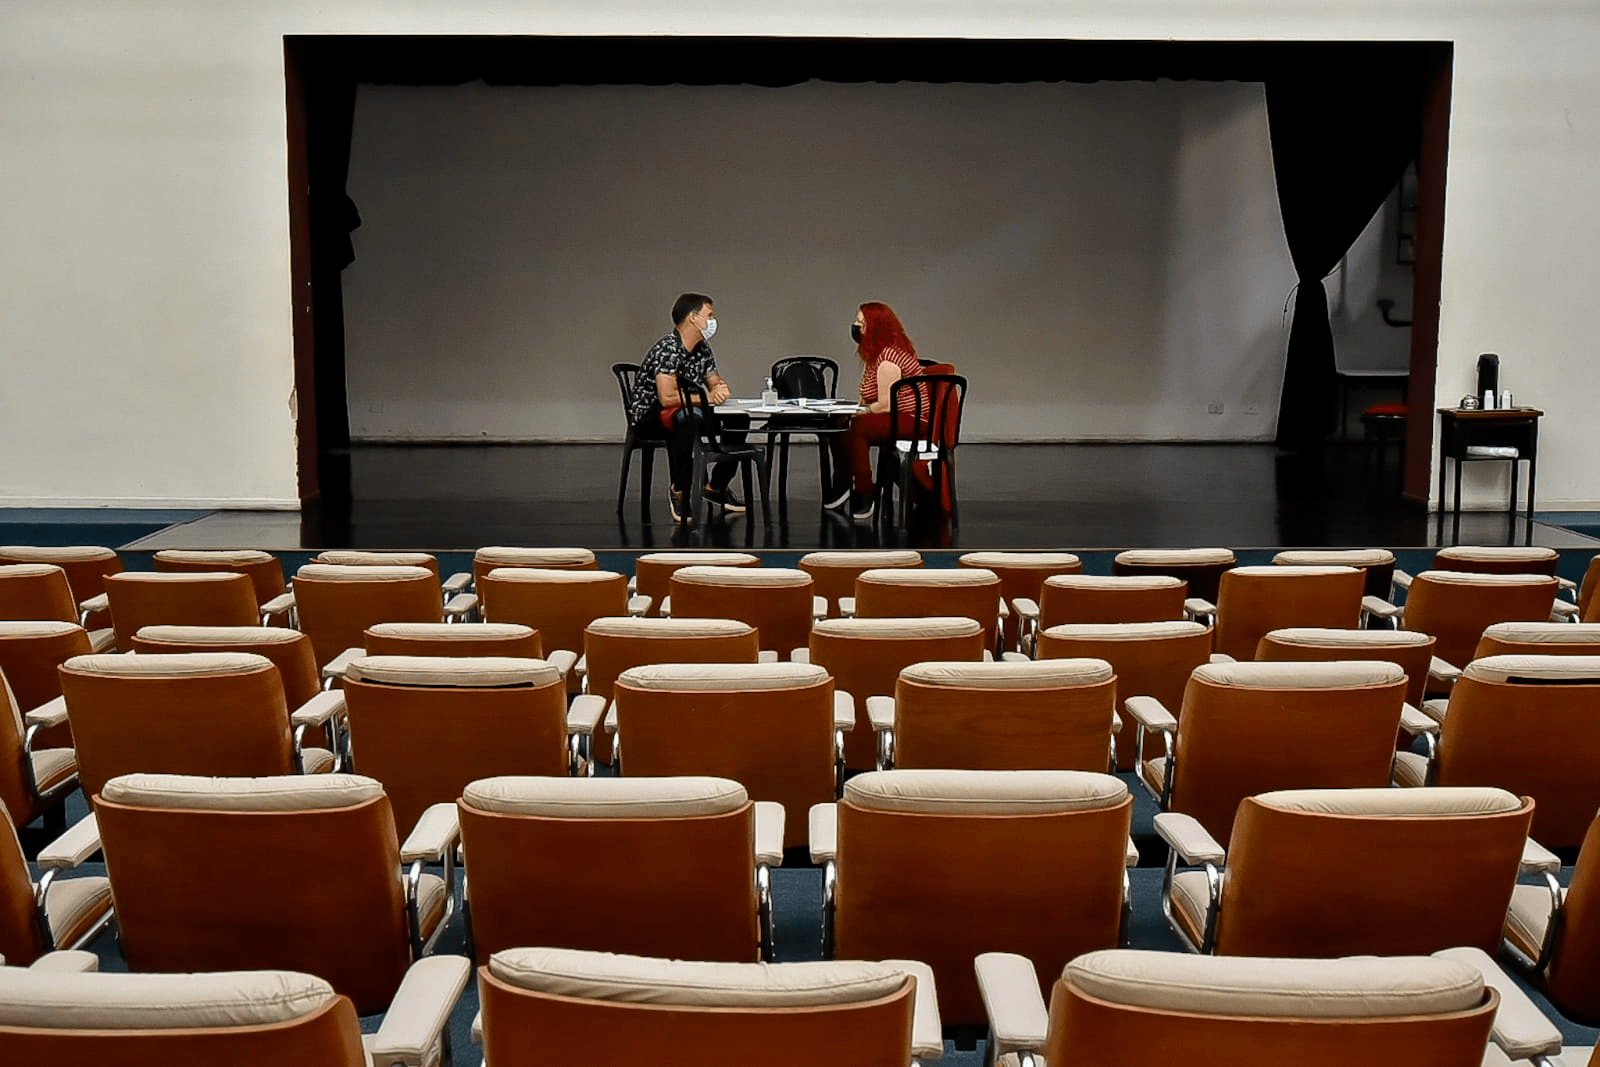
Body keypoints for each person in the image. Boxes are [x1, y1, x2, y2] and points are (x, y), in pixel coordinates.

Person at [627, 293, 749, 523]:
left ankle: (716, 486)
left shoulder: (703, 349)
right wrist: (706, 398)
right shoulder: (668, 349)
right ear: (693, 318)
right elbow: (668, 397)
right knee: (686, 420)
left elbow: (713, 379)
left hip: (689, 410)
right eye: (709, 315)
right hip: (650, 415)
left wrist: (719, 388)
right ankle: (680, 490)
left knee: (738, 419)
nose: (713, 320)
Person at [824, 301, 924, 521]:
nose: (856, 327)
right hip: (893, 417)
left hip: (912, 419)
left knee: (858, 427)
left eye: (861, 323)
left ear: (875, 327)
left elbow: (886, 405)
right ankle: (842, 483)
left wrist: (861, 412)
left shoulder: (888, 358)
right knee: (837, 422)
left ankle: (865, 490)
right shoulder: (876, 356)